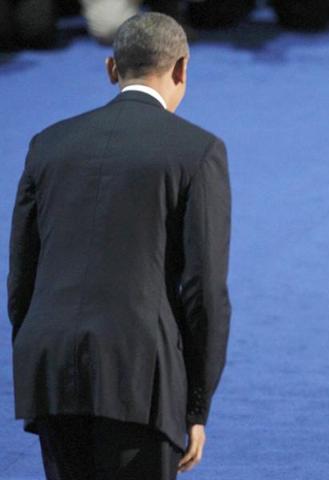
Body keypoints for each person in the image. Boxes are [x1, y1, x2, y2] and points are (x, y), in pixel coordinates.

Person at [7, 12, 231, 480]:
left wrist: (38, 358)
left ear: (112, 70)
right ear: (182, 69)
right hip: (138, 381)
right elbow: (203, 290)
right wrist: (195, 407)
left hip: (50, 368)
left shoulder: (47, 144)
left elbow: (20, 274)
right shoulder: (197, 151)